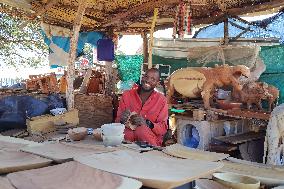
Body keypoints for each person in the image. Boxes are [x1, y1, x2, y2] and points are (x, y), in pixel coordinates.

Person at [115, 68, 168, 146]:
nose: (148, 80)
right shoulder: (127, 95)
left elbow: (163, 128)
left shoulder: (162, 100)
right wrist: (122, 119)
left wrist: (147, 123)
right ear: (142, 77)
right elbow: (117, 121)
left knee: (141, 130)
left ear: (157, 83)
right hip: (126, 142)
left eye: (153, 79)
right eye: (146, 76)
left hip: (149, 143)